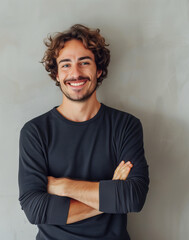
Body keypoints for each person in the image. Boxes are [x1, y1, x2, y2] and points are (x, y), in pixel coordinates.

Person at [18, 24, 149, 240]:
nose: (75, 73)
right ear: (57, 75)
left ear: (98, 69)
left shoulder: (126, 125)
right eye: (66, 65)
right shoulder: (36, 132)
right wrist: (110, 196)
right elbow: (36, 210)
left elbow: (133, 197)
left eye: (84, 62)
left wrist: (62, 186)